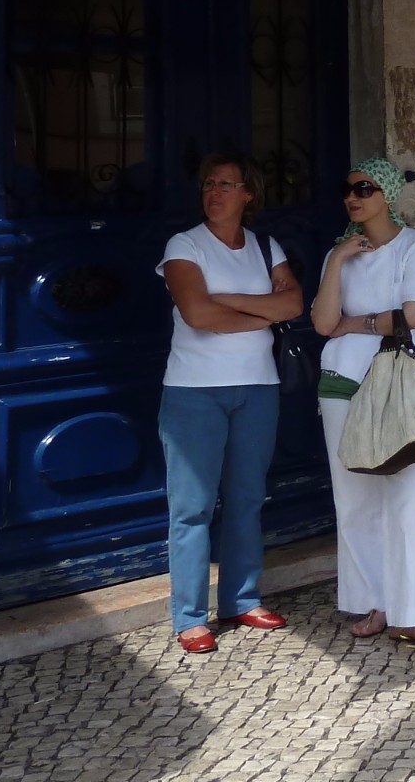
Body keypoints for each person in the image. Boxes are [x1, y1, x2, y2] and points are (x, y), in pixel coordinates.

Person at [156, 153, 303, 653]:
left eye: (225, 184)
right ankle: (190, 617)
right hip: (193, 391)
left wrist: (226, 301)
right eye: (208, 184)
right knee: (192, 507)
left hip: (258, 387)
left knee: (246, 498)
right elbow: (197, 314)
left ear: (248, 194)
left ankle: (241, 599)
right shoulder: (184, 245)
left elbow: (293, 304)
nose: (214, 192)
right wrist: (261, 313)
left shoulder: (265, 246)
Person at [311, 157, 415, 650]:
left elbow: (411, 315)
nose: (353, 197)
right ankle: (377, 604)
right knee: (353, 502)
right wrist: (337, 260)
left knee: (408, 498)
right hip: (342, 382)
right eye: (348, 189)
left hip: (399, 382)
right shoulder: (340, 253)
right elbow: (323, 323)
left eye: (365, 188)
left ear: (387, 194)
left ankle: (412, 615)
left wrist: (356, 324)